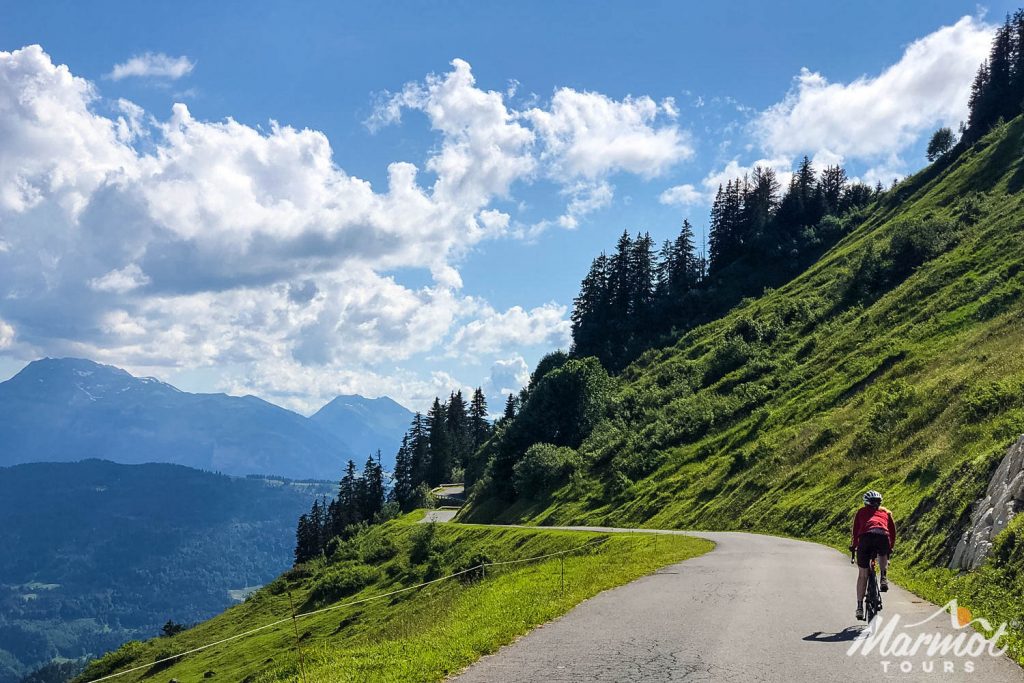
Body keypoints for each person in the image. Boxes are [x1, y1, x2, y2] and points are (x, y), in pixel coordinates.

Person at [850, 489, 896, 621]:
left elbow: (855, 532)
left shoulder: (861, 512)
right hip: (882, 536)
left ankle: (859, 607)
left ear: (865, 503)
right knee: (882, 553)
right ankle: (883, 577)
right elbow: (892, 533)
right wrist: (889, 549)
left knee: (863, 575)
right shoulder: (886, 513)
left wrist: (854, 547)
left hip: (865, 539)